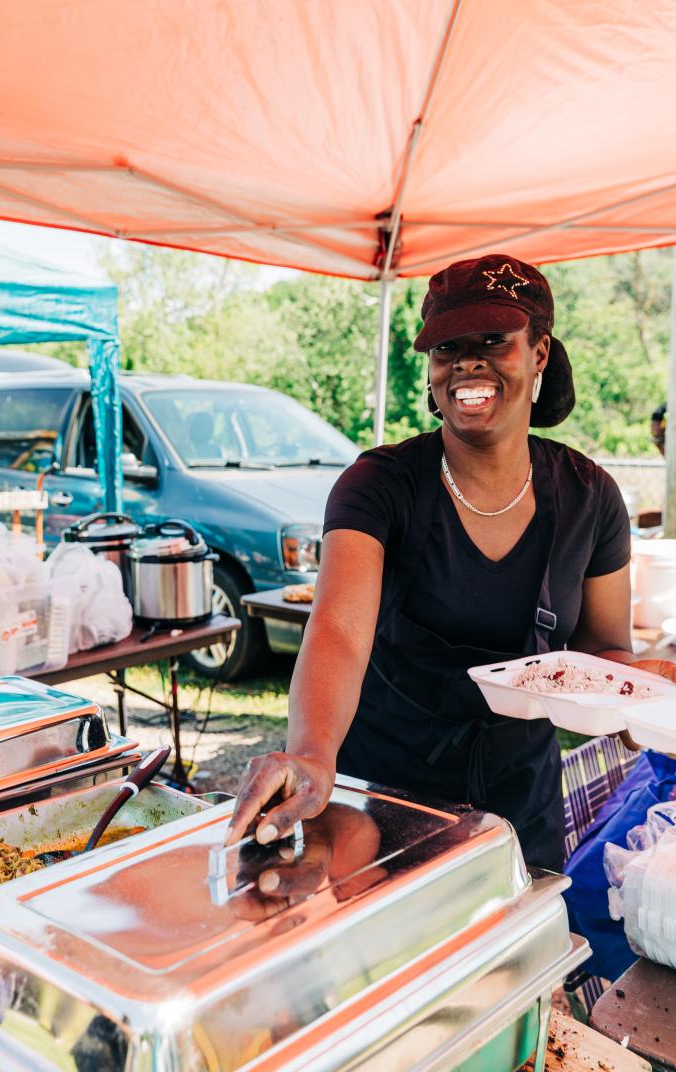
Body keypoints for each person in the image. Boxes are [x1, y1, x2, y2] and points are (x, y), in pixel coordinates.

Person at [227, 253, 676, 873]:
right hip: (382, 803)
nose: (467, 362)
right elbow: (337, 632)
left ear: (539, 352)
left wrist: (642, 693)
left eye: (493, 340)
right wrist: (311, 754)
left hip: (521, 807)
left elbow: (602, 649)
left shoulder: (590, 495)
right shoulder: (378, 485)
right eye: (447, 348)